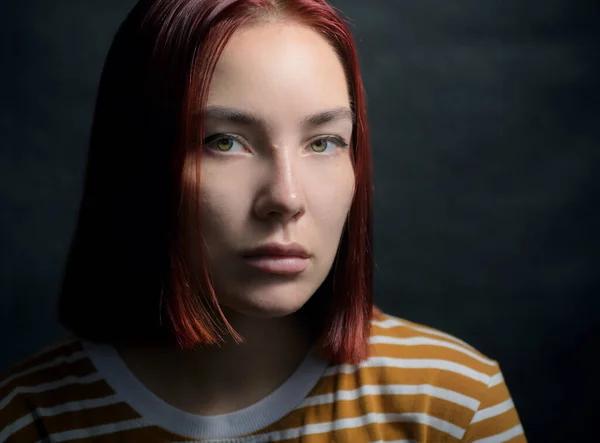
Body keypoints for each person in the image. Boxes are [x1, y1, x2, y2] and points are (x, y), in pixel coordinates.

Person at [0, 0, 527, 441]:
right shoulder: (29, 417)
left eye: (323, 142)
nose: (286, 198)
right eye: (224, 141)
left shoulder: (454, 404)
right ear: (137, 161)